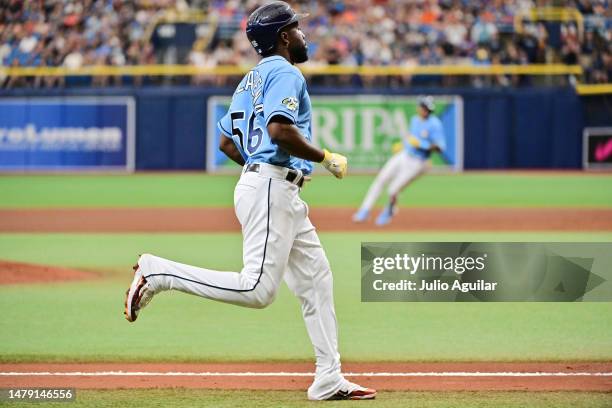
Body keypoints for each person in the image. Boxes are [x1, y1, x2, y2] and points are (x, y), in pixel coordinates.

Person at [123, 1, 376, 401]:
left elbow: (225, 141)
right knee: (257, 289)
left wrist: (260, 169)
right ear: (282, 37)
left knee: (316, 280)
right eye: (296, 28)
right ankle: (159, 273)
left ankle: (329, 376)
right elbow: (279, 130)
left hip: (272, 187)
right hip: (272, 189)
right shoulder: (285, 72)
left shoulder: (250, 80)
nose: (302, 34)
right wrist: (324, 158)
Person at [353, 96, 446, 226]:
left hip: (419, 162)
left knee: (393, 190)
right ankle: (365, 210)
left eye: (428, 109)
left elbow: (440, 148)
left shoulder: (435, 124)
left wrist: (422, 145)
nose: (425, 111)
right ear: (419, 107)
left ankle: (389, 210)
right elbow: (410, 137)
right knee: (381, 179)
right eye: (424, 108)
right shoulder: (415, 120)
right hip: (405, 155)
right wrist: (403, 144)